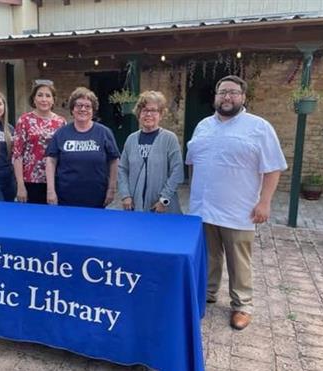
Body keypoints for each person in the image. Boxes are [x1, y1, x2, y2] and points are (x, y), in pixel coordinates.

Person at [185, 75, 287, 330]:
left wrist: (264, 202)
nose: (227, 97)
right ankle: (207, 295)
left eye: (232, 92)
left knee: (239, 259)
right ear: (216, 97)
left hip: (238, 209)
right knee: (208, 257)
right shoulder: (203, 126)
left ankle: (242, 305)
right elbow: (193, 164)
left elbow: (273, 168)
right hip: (203, 208)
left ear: (243, 97)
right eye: (222, 92)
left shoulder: (258, 127)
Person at [45, 87, 120, 208]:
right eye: (79, 105)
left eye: (87, 106)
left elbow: (114, 160)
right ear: (72, 109)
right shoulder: (61, 133)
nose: (83, 109)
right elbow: (51, 161)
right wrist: (50, 190)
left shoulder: (104, 133)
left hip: (96, 196)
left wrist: (111, 188)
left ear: (93, 110)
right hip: (65, 196)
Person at [118, 90, 184, 213]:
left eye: (153, 110)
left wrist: (164, 199)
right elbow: (122, 169)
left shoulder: (169, 138)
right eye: (145, 110)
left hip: (162, 208)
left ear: (161, 114)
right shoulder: (131, 139)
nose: (148, 114)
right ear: (139, 114)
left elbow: (177, 171)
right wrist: (125, 195)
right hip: (134, 206)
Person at [12, 81, 66, 204]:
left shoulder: (61, 122)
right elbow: (17, 155)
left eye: (48, 96)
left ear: (53, 100)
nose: (44, 99)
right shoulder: (24, 121)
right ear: (34, 99)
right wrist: (20, 185)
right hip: (31, 180)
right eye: (40, 95)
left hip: (55, 179)